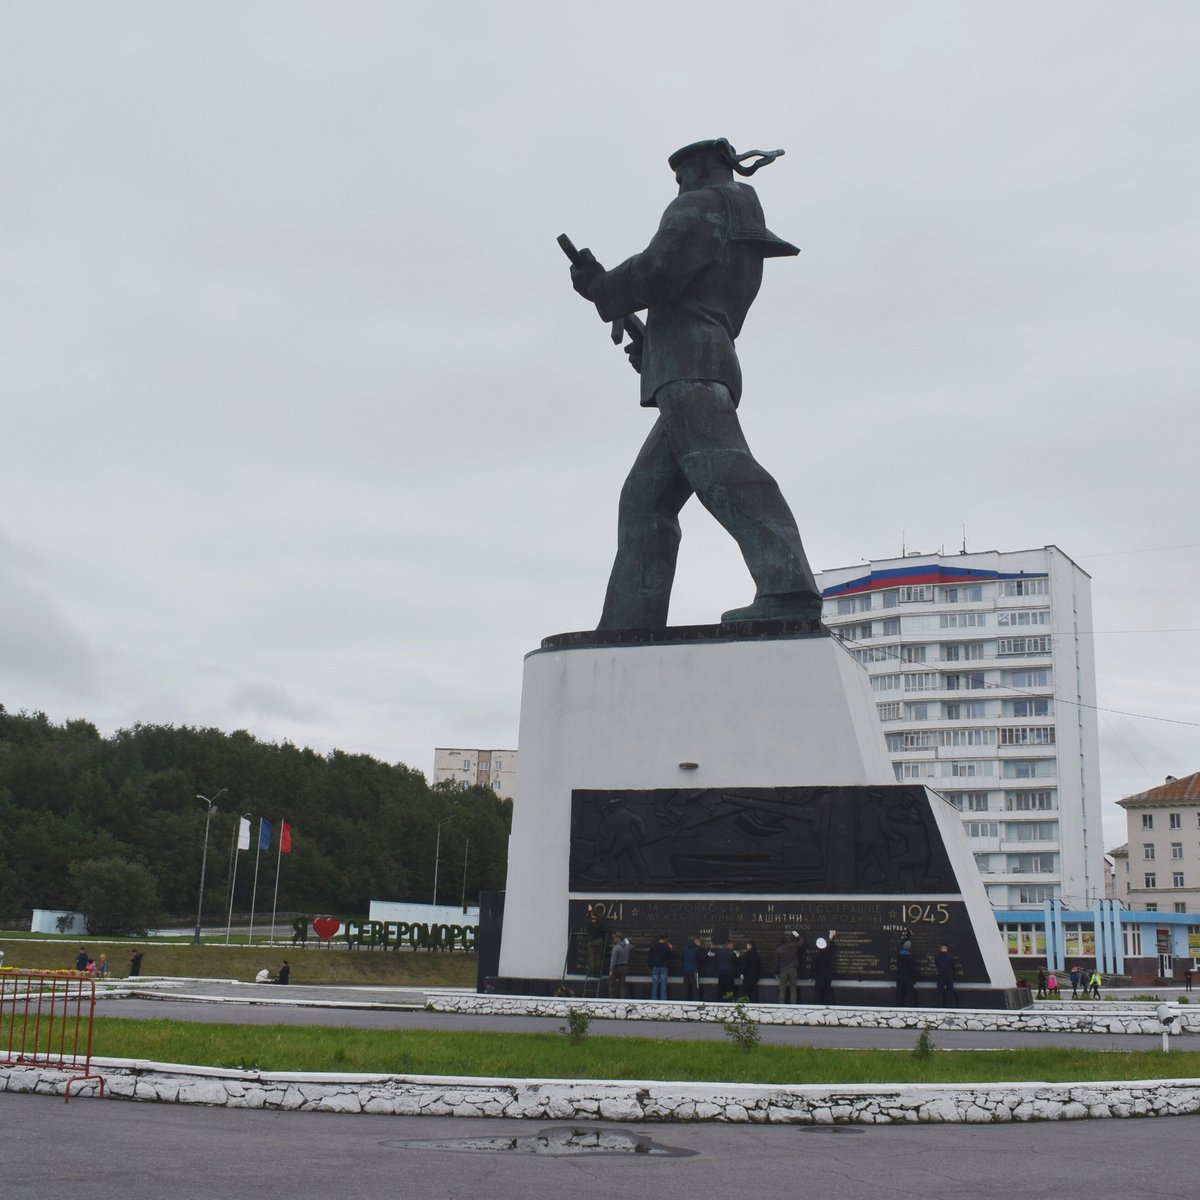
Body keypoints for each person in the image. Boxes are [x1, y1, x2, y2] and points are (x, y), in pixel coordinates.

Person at [568, 138, 823, 630]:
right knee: (646, 498)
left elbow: (659, 269)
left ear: (698, 171)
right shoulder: (741, 229)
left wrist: (601, 289)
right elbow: (693, 296)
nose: (678, 185)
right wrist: (650, 343)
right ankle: (630, 619)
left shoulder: (700, 206)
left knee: (721, 469)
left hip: (691, 363)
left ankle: (788, 586)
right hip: (703, 358)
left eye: (681, 175)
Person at [776, 931, 802, 1004]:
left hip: (783, 970)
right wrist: (797, 935)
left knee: (782, 989)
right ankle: (793, 1004)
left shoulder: (779, 950)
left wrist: (776, 972)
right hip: (793, 969)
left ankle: (781, 1004)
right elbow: (802, 942)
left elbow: (776, 962)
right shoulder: (793, 946)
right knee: (793, 988)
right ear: (787, 940)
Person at [646, 934, 672, 1001]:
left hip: (655, 966)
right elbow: (670, 956)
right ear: (665, 939)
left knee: (654, 984)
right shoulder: (666, 946)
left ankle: (653, 999)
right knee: (663, 985)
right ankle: (663, 1000)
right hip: (664, 967)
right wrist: (670, 948)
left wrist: (649, 966)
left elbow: (649, 957)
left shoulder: (653, 946)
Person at [812, 934, 836, 1004]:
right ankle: (829, 1003)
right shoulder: (829, 952)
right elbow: (833, 947)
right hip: (829, 975)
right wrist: (831, 939)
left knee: (818, 992)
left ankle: (818, 1004)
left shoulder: (817, 955)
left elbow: (814, 967)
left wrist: (811, 975)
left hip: (820, 976)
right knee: (827, 990)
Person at [894, 938, 918, 1006]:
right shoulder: (910, 957)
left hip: (900, 978)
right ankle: (911, 1008)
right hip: (908, 978)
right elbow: (912, 969)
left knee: (899, 994)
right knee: (910, 995)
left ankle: (898, 1007)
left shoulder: (899, 955)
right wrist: (915, 977)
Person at [608, 933, 631, 999]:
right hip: (624, 967)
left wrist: (611, 970)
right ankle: (622, 998)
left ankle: (611, 998)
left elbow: (613, 960)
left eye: (615, 938)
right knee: (622, 985)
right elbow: (627, 942)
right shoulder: (627, 947)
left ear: (618, 938)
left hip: (616, 967)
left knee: (612, 984)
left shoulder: (616, 948)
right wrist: (625, 939)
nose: (614, 939)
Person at [681, 936, 703, 1001]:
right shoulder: (697, 949)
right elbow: (701, 959)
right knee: (695, 987)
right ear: (697, 942)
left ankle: (685, 1001)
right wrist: (708, 955)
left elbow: (682, 958)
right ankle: (696, 1001)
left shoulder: (685, 948)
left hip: (685, 970)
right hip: (694, 971)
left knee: (686, 987)